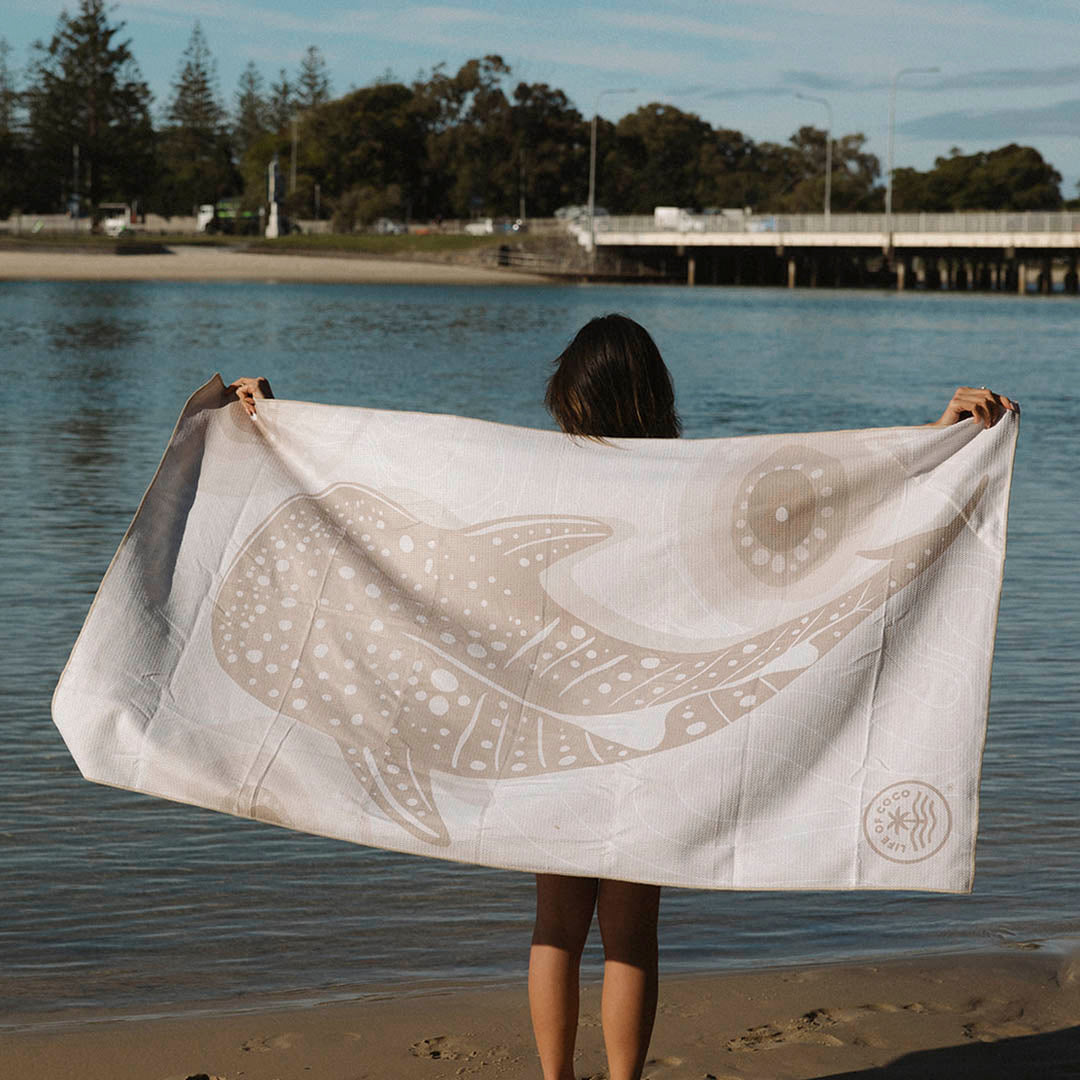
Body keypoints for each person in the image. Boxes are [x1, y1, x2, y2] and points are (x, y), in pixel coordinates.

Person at [229, 313, 1015, 1080]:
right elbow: (843, 502)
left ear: (569, 397)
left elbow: (404, 488)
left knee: (557, 927)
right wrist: (937, 436)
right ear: (657, 395)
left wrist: (277, 420)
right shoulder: (691, 483)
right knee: (633, 932)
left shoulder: (541, 469)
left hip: (539, 734)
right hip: (650, 751)